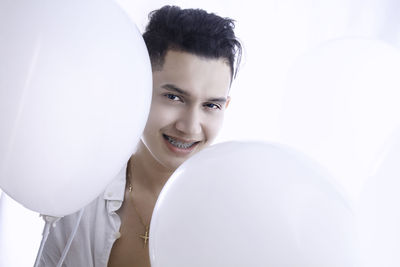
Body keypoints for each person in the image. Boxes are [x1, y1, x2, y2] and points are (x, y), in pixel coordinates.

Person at [39, 5, 241, 267]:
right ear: (138, 90)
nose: (190, 127)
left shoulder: (235, 213)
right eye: (174, 97)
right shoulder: (80, 197)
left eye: (210, 105)